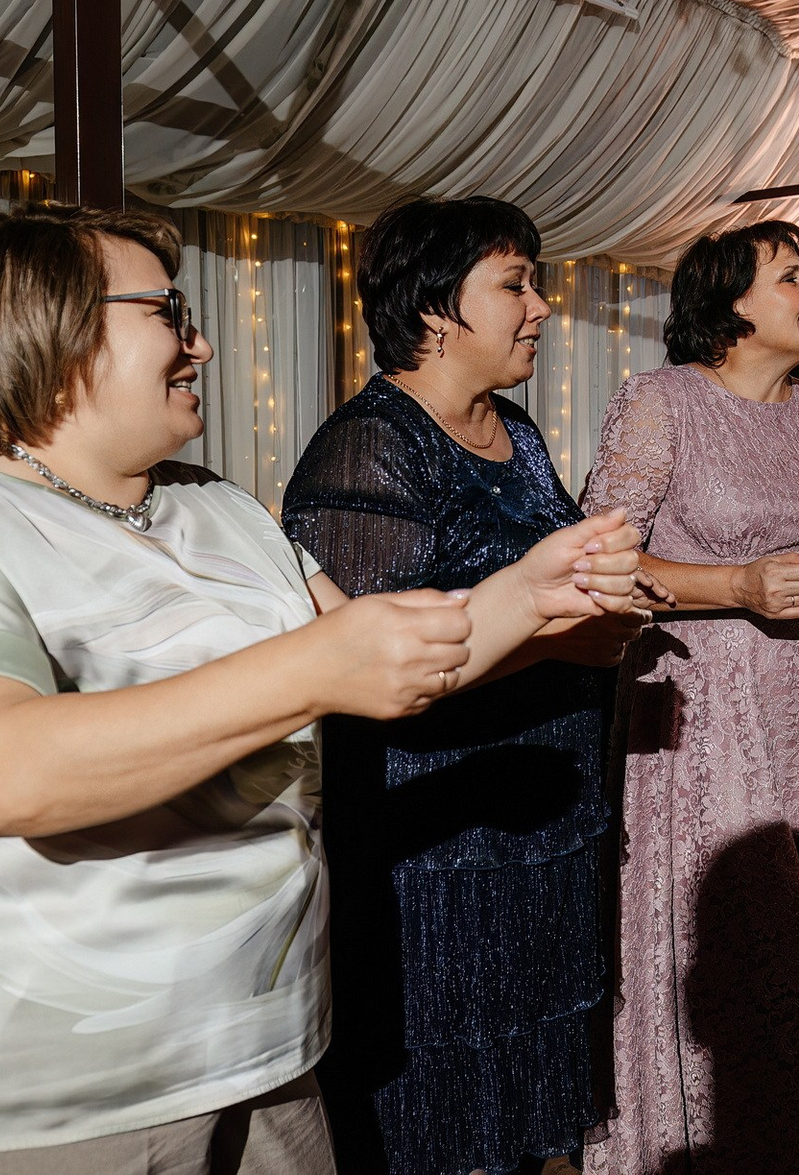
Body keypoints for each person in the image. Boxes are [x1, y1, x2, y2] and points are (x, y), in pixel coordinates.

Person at [0, 204, 645, 1173]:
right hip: (53, 1089)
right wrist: (308, 669)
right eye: (168, 313)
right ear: (47, 326)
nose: (202, 345)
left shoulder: (221, 506)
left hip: (270, 1051)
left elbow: (387, 657)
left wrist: (528, 595)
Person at [280, 196, 661, 1175]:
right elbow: (367, 667)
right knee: (442, 1110)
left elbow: (552, 582)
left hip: (543, 826)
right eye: (515, 285)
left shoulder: (517, 431)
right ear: (436, 308)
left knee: (527, 1101)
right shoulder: (371, 445)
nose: (541, 306)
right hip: (437, 848)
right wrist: (558, 639)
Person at [580, 221, 799, 1175]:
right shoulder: (662, 402)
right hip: (704, 713)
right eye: (793, 277)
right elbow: (597, 559)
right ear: (731, 303)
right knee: (758, 954)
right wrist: (733, 585)